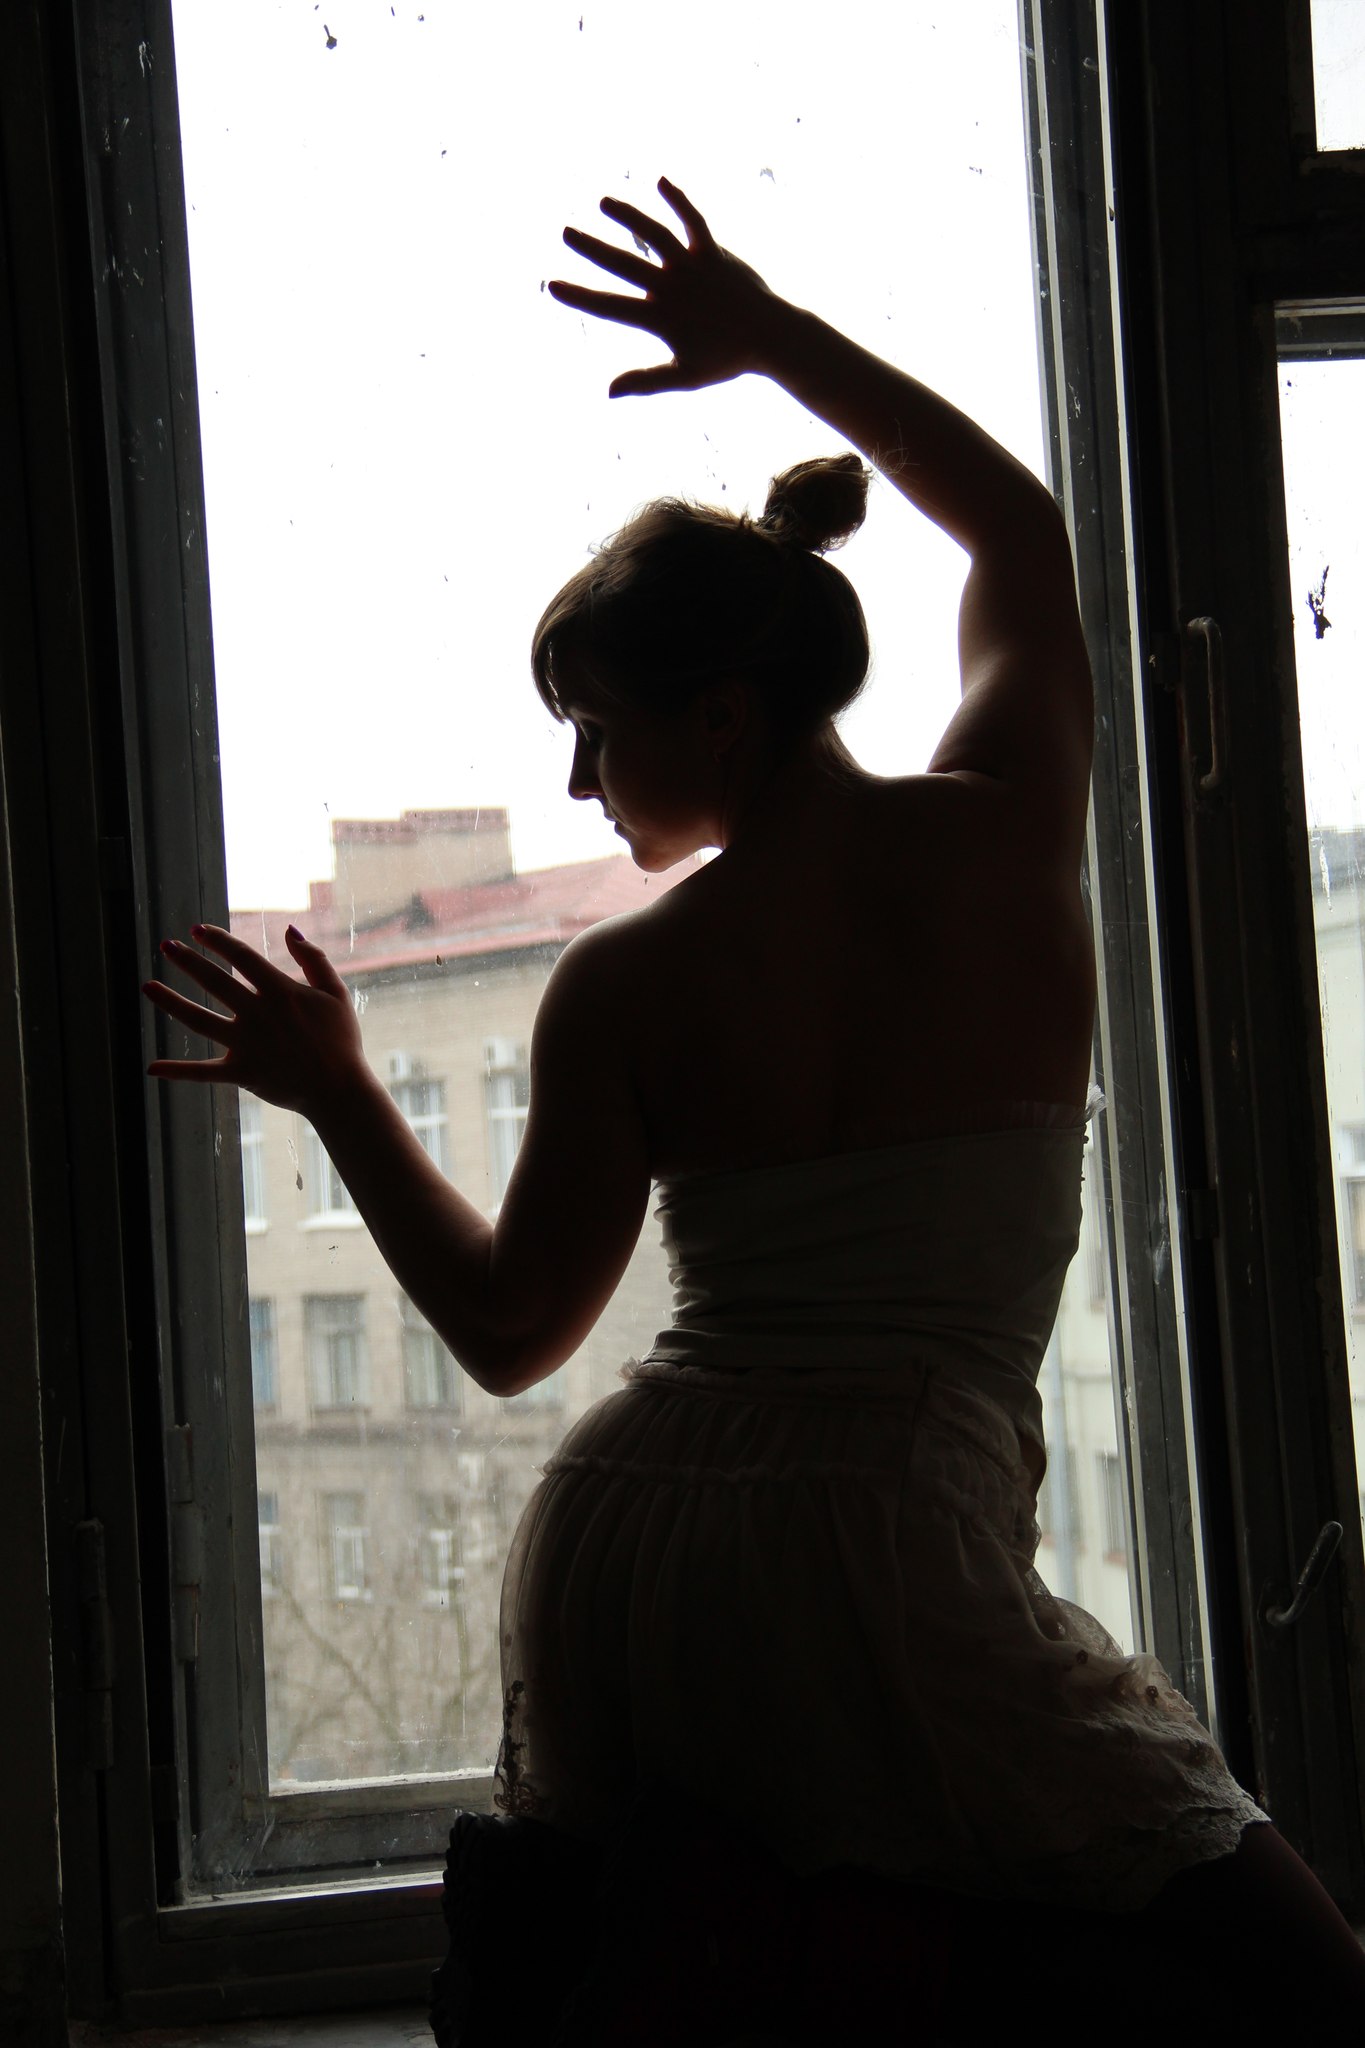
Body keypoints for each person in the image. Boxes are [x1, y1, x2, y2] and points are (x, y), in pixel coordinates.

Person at [144, 181, 1365, 2042]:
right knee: (1281, 1989)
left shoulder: (625, 979)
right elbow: (1019, 532)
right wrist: (771, 336)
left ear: (721, 715)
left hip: (648, 1554)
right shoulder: (1006, 840)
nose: (580, 778)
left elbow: (509, 1331)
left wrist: (342, 1095)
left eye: (595, 724)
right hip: (896, 1546)